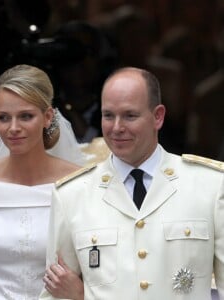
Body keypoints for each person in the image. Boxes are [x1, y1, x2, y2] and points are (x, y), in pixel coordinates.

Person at [40, 67, 224, 299]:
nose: (117, 128)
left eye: (130, 115)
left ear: (158, 116)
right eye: (108, 115)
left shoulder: (210, 185)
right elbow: (55, 294)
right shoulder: (71, 195)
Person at [0, 64, 85, 299]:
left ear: (47, 117)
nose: (13, 128)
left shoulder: (81, 183)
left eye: (26, 116)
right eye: (3, 118)